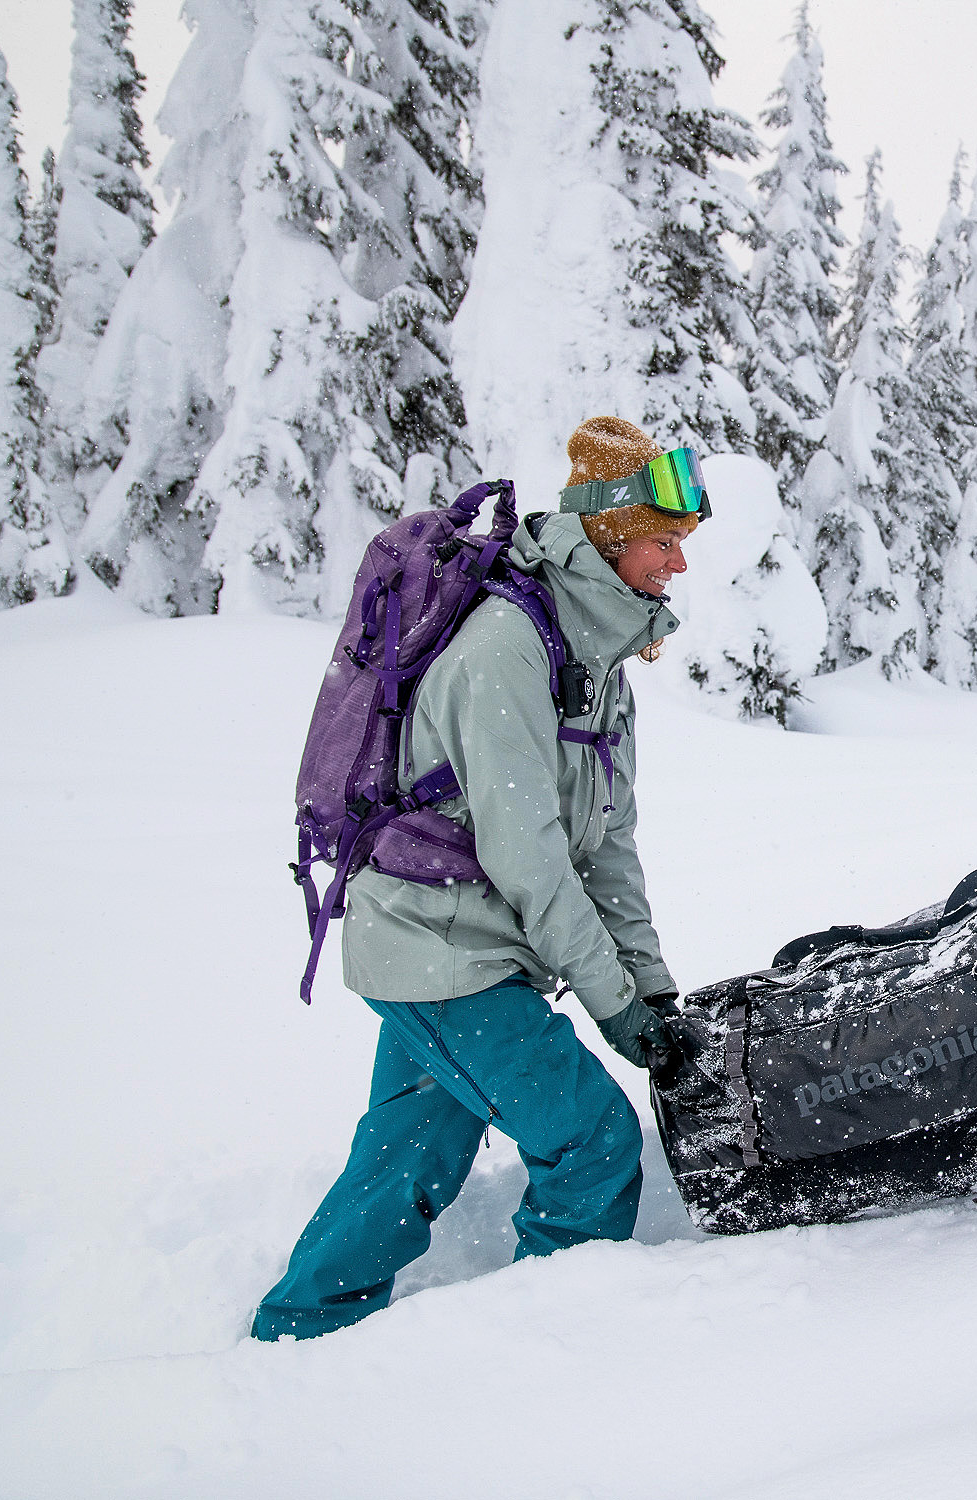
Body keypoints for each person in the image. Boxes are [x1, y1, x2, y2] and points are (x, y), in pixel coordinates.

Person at [252, 416, 701, 1340]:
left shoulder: (596, 662)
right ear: (610, 538)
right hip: (441, 948)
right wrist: (616, 1007)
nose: (678, 563)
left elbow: (607, 846)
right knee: (593, 1142)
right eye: (664, 542)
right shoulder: (506, 650)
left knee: (408, 1155)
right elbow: (529, 858)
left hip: (459, 948)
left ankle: (297, 1334)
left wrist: (652, 988)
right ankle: (536, 1360)